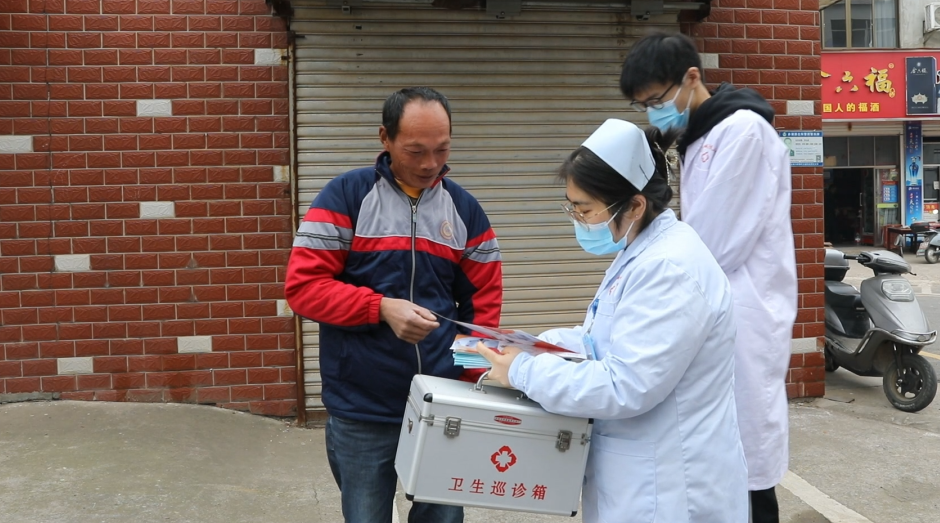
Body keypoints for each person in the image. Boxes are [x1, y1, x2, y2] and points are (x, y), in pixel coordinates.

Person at [477, 118, 748, 523]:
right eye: (571, 206)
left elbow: (626, 384)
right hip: (640, 476)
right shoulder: (642, 252)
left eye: (585, 209)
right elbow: (602, 339)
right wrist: (535, 345)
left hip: (670, 489)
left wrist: (523, 371)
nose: (576, 218)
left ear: (635, 206)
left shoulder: (669, 268)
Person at [284, 86, 502, 523]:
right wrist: (380, 308)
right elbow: (303, 288)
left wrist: (472, 383)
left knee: (442, 517)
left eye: (441, 150)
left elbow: (482, 307)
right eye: (416, 151)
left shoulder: (464, 209)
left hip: (442, 402)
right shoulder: (345, 197)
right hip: (362, 406)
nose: (430, 164)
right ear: (385, 138)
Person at [621, 32, 798, 523]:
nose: (654, 113)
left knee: (746, 464)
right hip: (718, 309)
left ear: (691, 78)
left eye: (657, 100)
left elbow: (714, 243)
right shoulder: (699, 136)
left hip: (744, 312)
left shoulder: (743, 132)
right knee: (719, 461)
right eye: (644, 106)